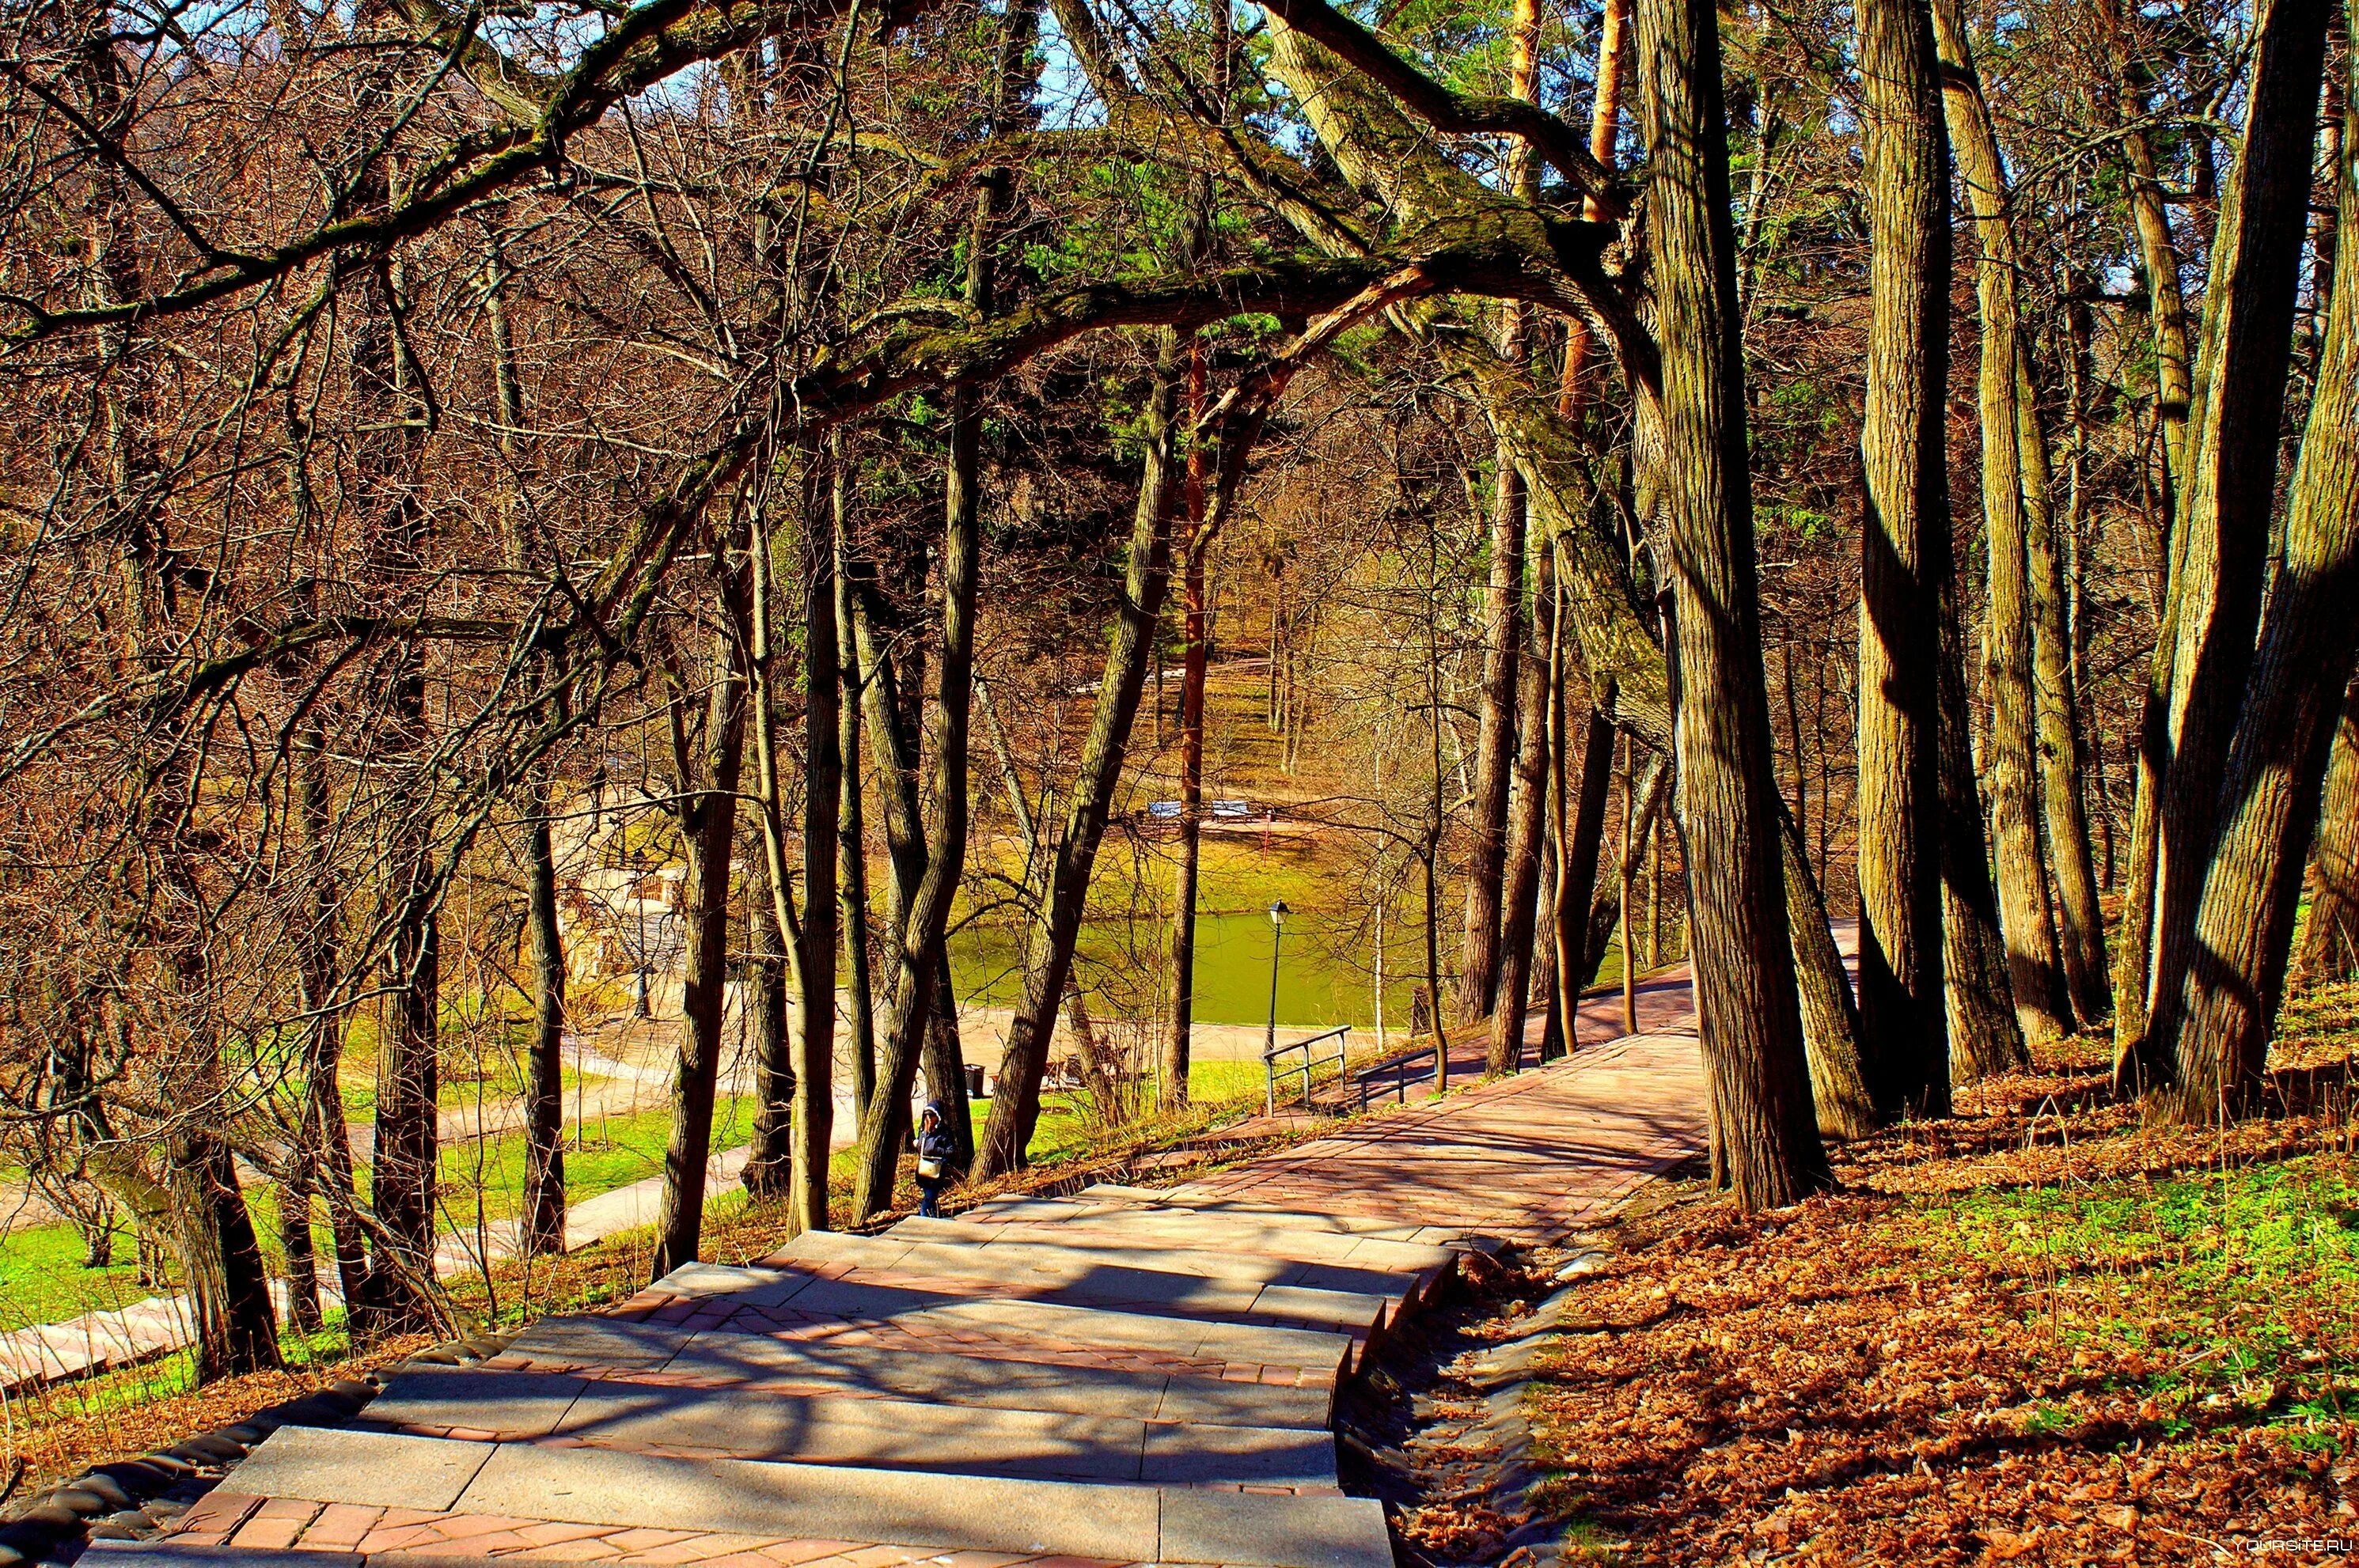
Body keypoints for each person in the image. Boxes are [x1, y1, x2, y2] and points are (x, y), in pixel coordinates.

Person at [914, 1101, 958, 1218]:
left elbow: (951, 1151)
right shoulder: (923, 1131)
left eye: (931, 1116)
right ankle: (935, 1218)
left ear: (937, 1117)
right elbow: (921, 1149)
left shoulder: (944, 1132)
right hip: (923, 1170)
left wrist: (936, 1150)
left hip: (937, 1171)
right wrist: (918, 1144)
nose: (928, 1119)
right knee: (930, 1197)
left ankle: (924, 1217)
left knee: (929, 1198)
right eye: (926, 1116)